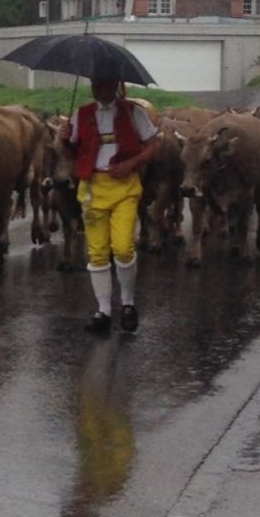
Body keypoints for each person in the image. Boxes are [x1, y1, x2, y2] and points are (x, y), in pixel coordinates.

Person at [60, 79, 160, 334]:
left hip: (125, 188)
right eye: (95, 84)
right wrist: (64, 139)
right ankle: (103, 310)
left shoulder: (133, 112)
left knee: (124, 247)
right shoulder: (80, 114)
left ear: (114, 84)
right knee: (97, 252)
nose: (99, 89)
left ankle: (128, 303)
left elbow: (152, 146)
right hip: (92, 189)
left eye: (104, 83)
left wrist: (131, 164)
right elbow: (72, 152)